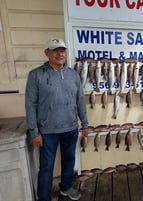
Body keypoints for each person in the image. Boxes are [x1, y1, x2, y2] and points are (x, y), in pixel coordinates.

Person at [25, 38, 89, 201]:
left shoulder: (73, 75)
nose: (60, 54)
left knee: (69, 161)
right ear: (47, 53)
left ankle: (66, 187)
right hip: (47, 132)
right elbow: (30, 104)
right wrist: (34, 132)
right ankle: (44, 198)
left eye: (62, 50)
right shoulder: (36, 75)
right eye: (55, 50)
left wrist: (85, 123)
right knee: (46, 167)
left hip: (71, 128)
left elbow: (80, 100)